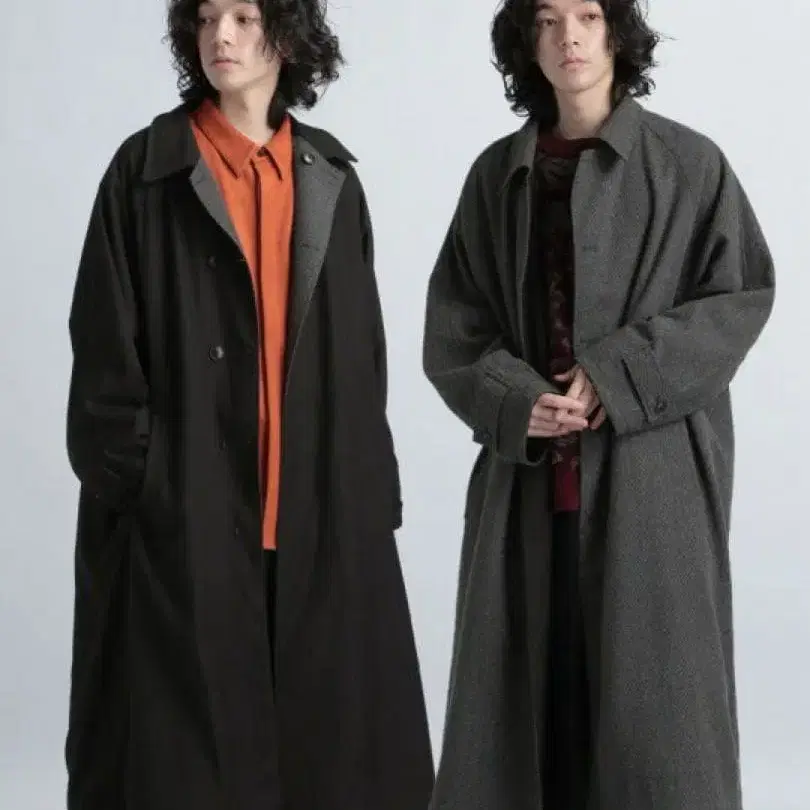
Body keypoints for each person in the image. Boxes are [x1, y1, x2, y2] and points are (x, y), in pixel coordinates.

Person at [64, 1, 434, 809]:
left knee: (330, 757)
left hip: (319, 522)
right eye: (205, 18)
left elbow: (365, 361)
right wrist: (148, 484)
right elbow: (102, 354)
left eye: (242, 15)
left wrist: (368, 495)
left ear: (289, 34)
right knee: (183, 763)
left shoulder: (331, 178)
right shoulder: (146, 172)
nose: (220, 36)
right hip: (186, 521)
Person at [421, 1, 774, 809]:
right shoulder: (496, 176)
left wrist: (616, 375)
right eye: (547, 20)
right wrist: (516, 400)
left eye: (587, 14)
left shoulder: (688, 164)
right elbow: (455, 329)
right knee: (525, 712)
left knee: (656, 718)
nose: (569, 36)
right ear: (527, 42)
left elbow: (739, 296)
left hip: (653, 486)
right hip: (527, 486)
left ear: (617, 32)